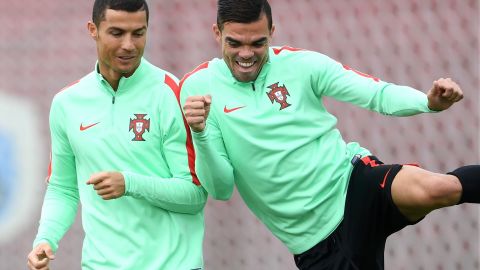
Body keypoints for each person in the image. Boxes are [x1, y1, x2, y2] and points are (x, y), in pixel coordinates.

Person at [180, 0, 479, 269]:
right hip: (315, 245)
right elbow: (220, 189)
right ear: (217, 34)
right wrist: (201, 133)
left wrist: (428, 103)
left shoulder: (302, 65)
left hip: (353, 185)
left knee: (439, 188)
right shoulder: (196, 88)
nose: (246, 54)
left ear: (272, 31)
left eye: (258, 43)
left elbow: (377, 93)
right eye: (235, 43)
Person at [27, 0, 207, 269]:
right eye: (117, 33)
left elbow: (195, 195)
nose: (129, 45)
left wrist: (129, 183)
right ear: (93, 29)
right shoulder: (67, 103)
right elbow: (62, 188)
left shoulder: (172, 93)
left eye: (138, 33)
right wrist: (45, 240)